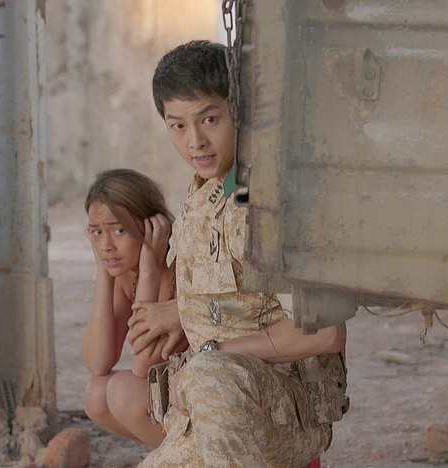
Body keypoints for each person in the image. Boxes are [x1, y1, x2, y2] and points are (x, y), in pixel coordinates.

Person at [138, 40, 350, 467]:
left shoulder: (273, 205)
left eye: (209, 119)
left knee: (209, 373)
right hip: (215, 415)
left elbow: (324, 333)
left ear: (241, 112)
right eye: (177, 125)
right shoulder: (204, 195)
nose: (195, 141)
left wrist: (210, 353)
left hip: (282, 411)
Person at [81, 168, 188, 448]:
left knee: (124, 392)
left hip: (208, 396)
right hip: (178, 394)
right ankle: (181, 457)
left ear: (152, 225)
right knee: (96, 394)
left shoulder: (182, 265)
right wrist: (103, 272)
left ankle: (193, 459)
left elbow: (142, 365)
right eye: (97, 232)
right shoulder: (126, 272)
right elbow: (98, 362)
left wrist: (150, 269)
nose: (106, 245)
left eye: (119, 230)